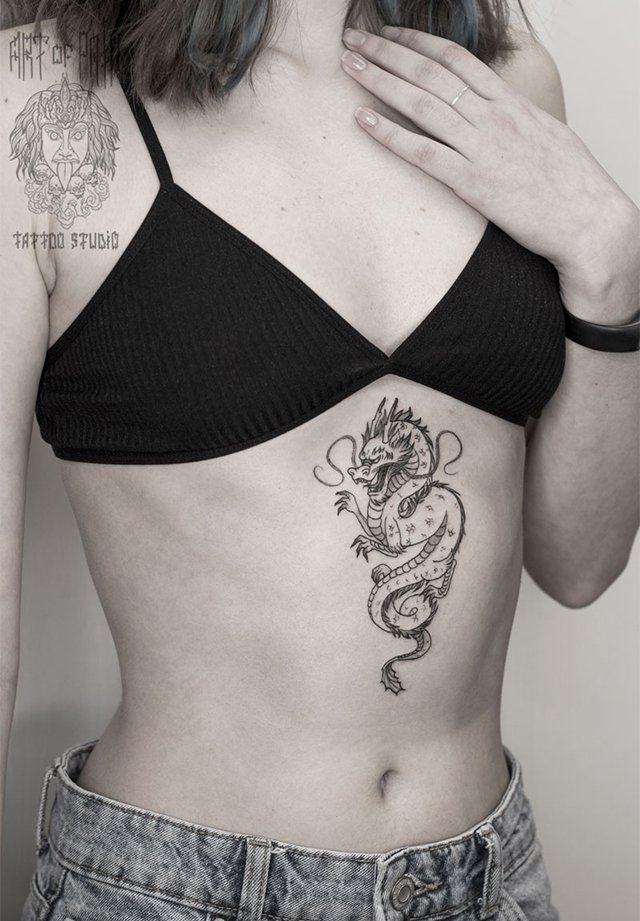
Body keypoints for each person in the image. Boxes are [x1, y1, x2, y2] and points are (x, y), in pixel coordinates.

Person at [2, 1, 638, 919]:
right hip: (174, 892)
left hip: (487, 879)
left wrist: (612, 266)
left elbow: (581, 564)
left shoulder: (501, 76)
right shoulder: (39, 98)